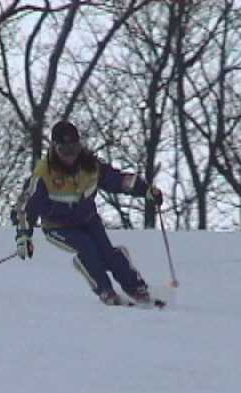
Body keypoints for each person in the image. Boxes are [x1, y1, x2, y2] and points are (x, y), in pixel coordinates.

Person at [11, 120, 163, 306]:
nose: (70, 156)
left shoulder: (90, 165)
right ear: (54, 148)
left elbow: (117, 180)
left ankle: (137, 288)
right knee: (87, 248)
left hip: (88, 219)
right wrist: (24, 236)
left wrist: (146, 190)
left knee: (107, 253)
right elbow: (25, 206)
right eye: (64, 150)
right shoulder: (44, 174)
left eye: (74, 149)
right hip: (58, 226)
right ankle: (105, 290)